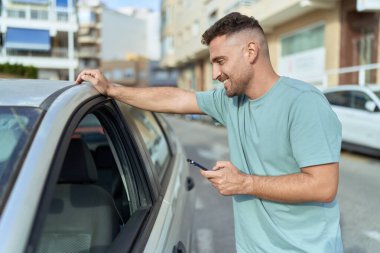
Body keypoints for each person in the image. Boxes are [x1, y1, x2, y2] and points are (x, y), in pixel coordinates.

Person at [76, 12, 343, 253]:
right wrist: (113, 90)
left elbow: (323, 185)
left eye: (220, 61)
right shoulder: (232, 101)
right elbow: (178, 99)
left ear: (251, 51)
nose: (215, 73)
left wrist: (244, 183)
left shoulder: (303, 103)